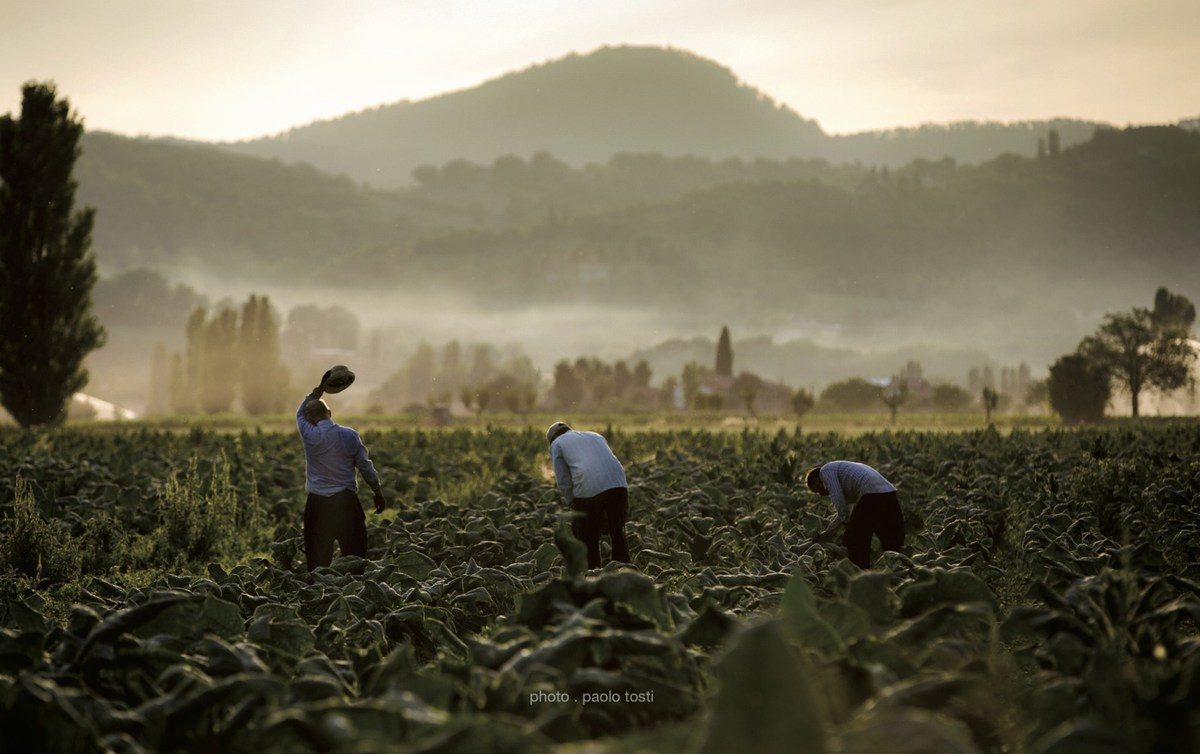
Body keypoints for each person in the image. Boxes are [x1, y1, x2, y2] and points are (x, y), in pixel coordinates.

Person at [296, 368, 387, 571]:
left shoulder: (309, 434)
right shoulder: (350, 436)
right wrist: (377, 492)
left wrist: (318, 390)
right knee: (355, 563)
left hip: (318, 506)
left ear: (311, 420)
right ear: (330, 414)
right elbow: (366, 467)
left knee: (318, 567)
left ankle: (320, 600)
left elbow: (300, 413)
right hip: (346, 504)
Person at [548, 421, 631, 569]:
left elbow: (563, 479)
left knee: (588, 536)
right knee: (617, 530)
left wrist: (571, 501)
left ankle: (592, 573)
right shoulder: (595, 435)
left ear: (552, 438)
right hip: (619, 484)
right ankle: (624, 569)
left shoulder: (557, 444)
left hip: (589, 489)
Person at [806, 460, 904, 569]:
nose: (820, 494)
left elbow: (838, 500)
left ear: (816, 481)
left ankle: (860, 574)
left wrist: (848, 524)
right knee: (889, 537)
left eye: (817, 490)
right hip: (888, 492)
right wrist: (827, 535)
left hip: (871, 493)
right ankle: (897, 571)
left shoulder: (825, 471)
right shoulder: (845, 479)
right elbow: (843, 513)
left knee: (854, 538)